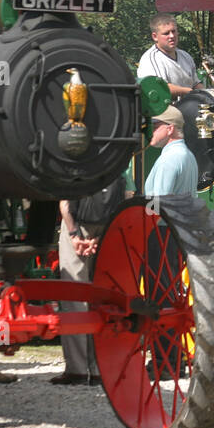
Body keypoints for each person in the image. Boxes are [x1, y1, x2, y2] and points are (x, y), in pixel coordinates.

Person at [53, 172, 134, 385]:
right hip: (107, 228)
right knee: (102, 298)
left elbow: (65, 203)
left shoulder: (77, 161)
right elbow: (128, 197)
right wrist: (103, 236)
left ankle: (77, 369)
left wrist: (73, 235)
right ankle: (99, 369)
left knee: (74, 296)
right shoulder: (119, 162)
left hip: (78, 224)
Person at [137, 13, 202, 99]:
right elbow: (159, 88)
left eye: (173, 31)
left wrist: (207, 94)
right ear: (155, 36)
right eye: (166, 33)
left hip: (190, 103)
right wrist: (190, 92)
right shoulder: (150, 59)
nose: (172, 36)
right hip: (165, 108)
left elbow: (196, 84)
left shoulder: (185, 56)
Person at [144, 105, 198, 196]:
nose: (149, 132)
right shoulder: (188, 155)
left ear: (170, 129)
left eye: (154, 127)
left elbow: (160, 203)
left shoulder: (168, 159)